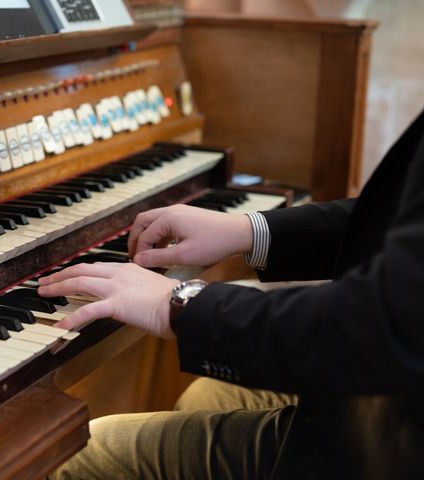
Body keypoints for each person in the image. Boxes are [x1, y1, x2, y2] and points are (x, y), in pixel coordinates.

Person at [38, 107, 424, 480]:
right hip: (389, 395)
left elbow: (383, 328)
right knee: (206, 398)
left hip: (393, 445)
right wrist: (250, 231)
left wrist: (177, 305)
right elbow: (392, 223)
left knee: (89, 453)